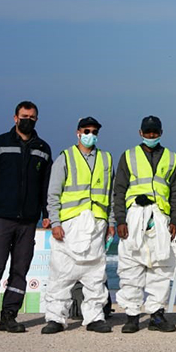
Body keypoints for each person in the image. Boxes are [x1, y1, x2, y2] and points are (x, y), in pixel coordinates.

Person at [0, 101, 53, 336]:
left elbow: (46, 186)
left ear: (37, 119)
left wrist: (47, 215)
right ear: (15, 117)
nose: (28, 120)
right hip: (2, 219)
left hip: (28, 221)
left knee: (20, 270)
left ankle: (9, 316)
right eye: (24, 116)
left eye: (32, 117)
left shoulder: (43, 148)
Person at [41, 117, 114, 334]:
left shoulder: (106, 159)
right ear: (78, 132)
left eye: (94, 131)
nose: (90, 134)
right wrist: (55, 222)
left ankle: (94, 317)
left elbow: (111, 193)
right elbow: (53, 193)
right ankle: (55, 318)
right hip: (69, 224)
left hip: (96, 223)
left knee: (95, 274)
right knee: (61, 273)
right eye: (86, 130)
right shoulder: (66, 158)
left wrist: (110, 222)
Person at [112, 116, 176, 333]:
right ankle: (132, 315)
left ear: (161, 132)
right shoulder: (129, 156)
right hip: (134, 215)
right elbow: (119, 189)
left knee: (161, 264)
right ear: (141, 133)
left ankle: (156, 314)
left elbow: (175, 192)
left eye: (155, 132)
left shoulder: (171, 157)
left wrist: (174, 221)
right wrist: (120, 219)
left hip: (160, 216)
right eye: (148, 132)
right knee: (131, 263)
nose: (151, 136)